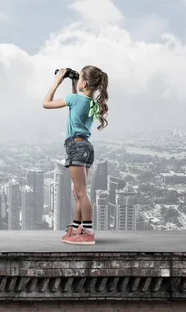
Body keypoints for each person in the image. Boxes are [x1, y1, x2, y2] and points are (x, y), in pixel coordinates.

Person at [42, 65, 109, 245]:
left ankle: (87, 232)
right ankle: (76, 228)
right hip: (86, 147)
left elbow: (46, 103)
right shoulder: (93, 103)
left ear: (85, 82)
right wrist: (73, 83)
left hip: (76, 146)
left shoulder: (74, 99)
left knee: (81, 192)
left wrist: (56, 82)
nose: (77, 81)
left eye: (79, 79)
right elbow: (76, 108)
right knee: (78, 192)